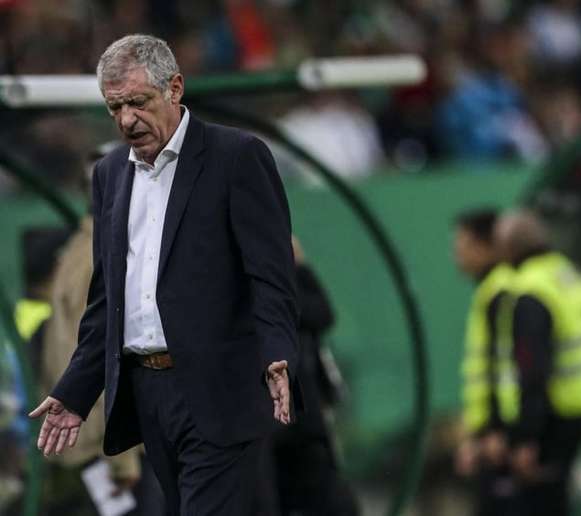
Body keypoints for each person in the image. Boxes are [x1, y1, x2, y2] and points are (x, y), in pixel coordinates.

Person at [28, 34, 298, 516]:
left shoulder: (236, 157)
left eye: (137, 102)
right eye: (114, 108)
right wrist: (74, 392)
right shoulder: (109, 174)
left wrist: (278, 351)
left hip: (220, 388)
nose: (126, 120)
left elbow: (270, 274)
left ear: (174, 88)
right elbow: (107, 302)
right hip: (147, 394)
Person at [39, 142, 164, 516]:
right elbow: (102, 357)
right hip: (109, 446)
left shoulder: (82, 248)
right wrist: (122, 456)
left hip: (92, 442)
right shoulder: (105, 256)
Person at [493, 210, 581, 516]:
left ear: (509, 247)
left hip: (552, 417)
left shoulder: (531, 292)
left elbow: (532, 370)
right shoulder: (570, 276)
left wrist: (527, 437)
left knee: (541, 504)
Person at [268, 236, 359, 516]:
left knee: (323, 489)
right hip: (275, 420)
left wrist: (297, 269)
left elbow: (322, 313)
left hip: (306, 414)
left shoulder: (290, 287)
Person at [454, 207, 520, 516]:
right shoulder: (490, 291)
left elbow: (503, 365)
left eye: (464, 245)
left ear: (486, 246)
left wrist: (497, 431)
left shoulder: (501, 292)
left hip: (501, 434)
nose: (458, 255)